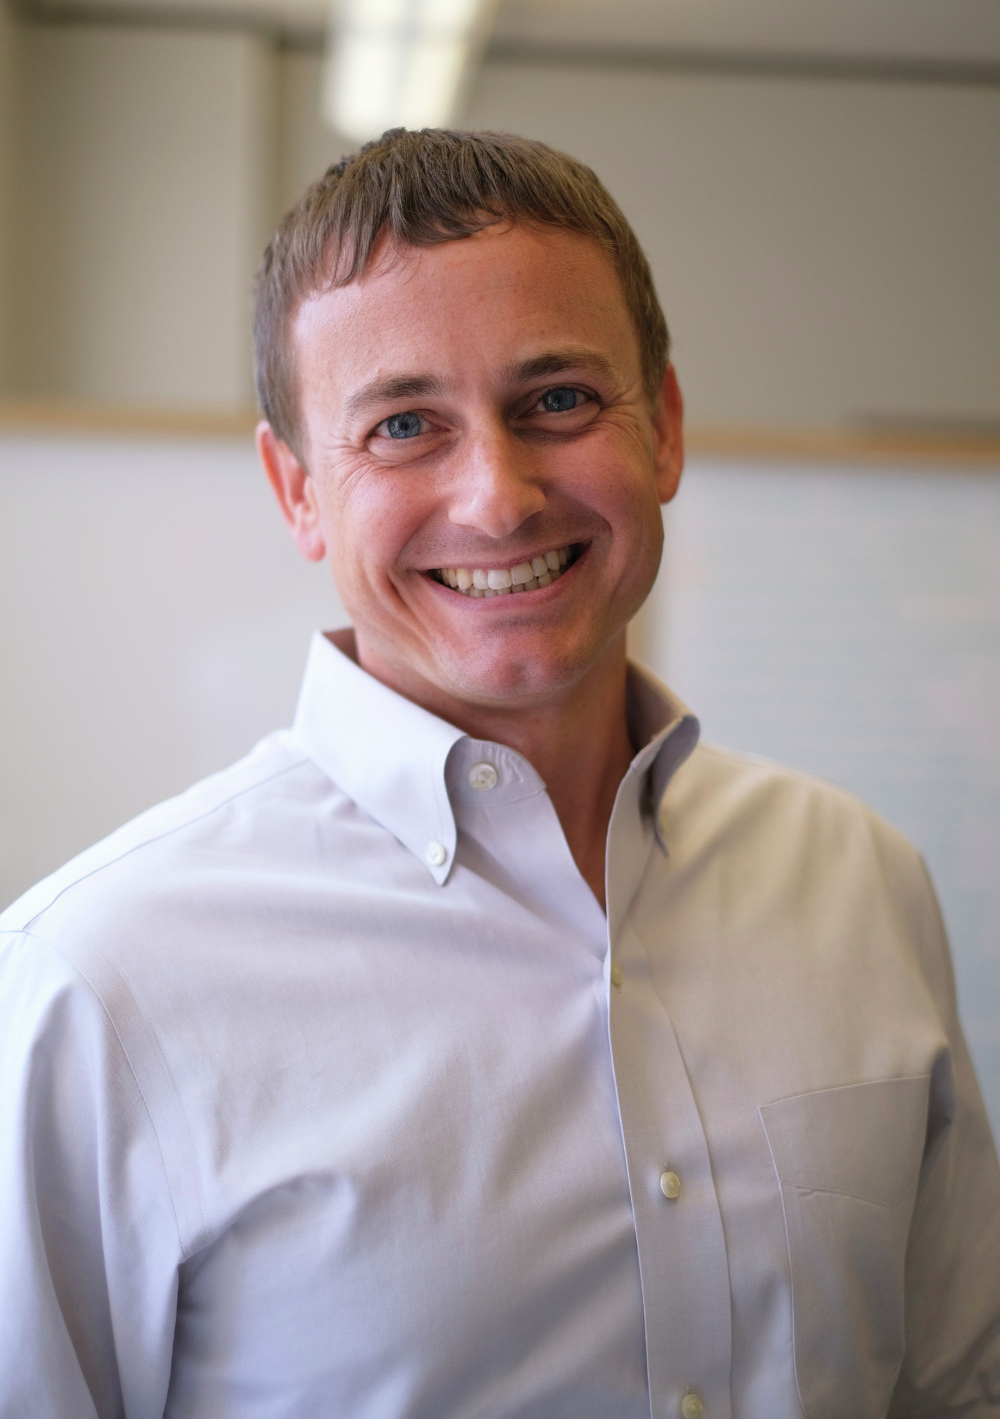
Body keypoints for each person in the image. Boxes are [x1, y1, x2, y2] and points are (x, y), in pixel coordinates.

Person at [1, 128, 998, 1419]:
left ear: (665, 428)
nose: (500, 497)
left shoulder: (861, 881)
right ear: (296, 491)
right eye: (404, 425)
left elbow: (954, 1387)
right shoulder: (96, 987)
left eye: (559, 401)